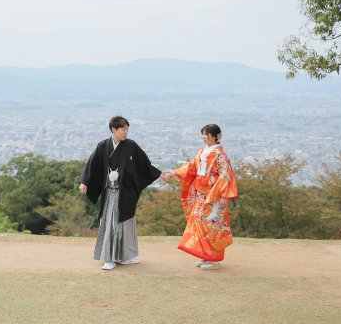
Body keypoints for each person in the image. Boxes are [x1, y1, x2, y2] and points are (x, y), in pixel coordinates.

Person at [79, 115, 162, 270]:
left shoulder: (131, 145)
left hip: (126, 193)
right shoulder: (103, 145)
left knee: (125, 224)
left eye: (127, 129)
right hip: (109, 192)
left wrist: (159, 174)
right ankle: (109, 258)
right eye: (123, 129)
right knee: (110, 224)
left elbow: (144, 165)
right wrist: (84, 182)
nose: (126, 132)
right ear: (114, 130)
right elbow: (92, 164)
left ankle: (125, 257)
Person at [161, 124, 238, 270]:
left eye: (206, 134)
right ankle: (205, 256)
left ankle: (214, 259)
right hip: (201, 194)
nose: (203, 137)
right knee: (200, 225)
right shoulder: (203, 151)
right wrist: (175, 173)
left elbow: (225, 175)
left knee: (213, 226)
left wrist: (224, 196)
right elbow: (191, 167)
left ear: (215, 136)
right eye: (203, 134)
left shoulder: (220, 155)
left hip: (214, 196)